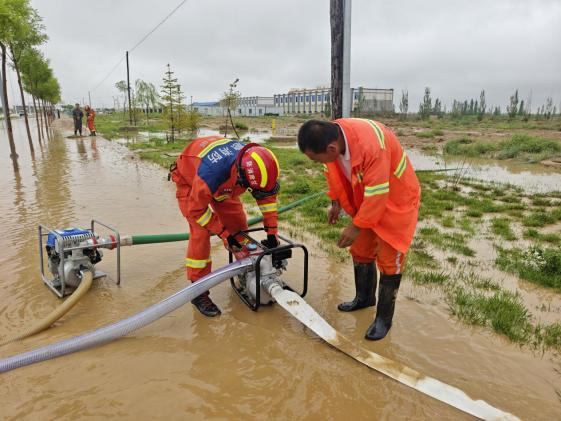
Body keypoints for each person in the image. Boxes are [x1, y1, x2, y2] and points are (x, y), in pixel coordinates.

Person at [297, 119, 420, 340]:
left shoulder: (372, 147)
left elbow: (378, 195)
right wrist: (335, 202)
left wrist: (355, 227)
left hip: (395, 200)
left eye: (316, 159)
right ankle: (364, 299)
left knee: (390, 260)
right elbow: (333, 172)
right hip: (367, 199)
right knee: (361, 250)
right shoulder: (333, 137)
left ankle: (384, 319)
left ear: (331, 149)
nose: (317, 163)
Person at [170, 136, 281, 317]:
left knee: (240, 230)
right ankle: (199, 292)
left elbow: (266, 198)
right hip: (191, 183)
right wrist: (223, 233)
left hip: (224, 187)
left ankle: (246, 273)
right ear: (240, 176)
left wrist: (272, 233)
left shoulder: (256, 161)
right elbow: (196, 211)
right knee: (201, 234)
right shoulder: (212, 174)